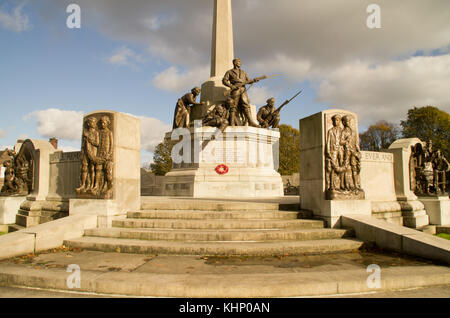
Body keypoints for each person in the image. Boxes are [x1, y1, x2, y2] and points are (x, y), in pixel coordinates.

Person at [222, 58, 260, 127]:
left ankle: (251, 122)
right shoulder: (230, 72)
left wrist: (254, 80)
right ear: (234, 63)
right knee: (233, 105)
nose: (240, 63)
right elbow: (224, 80)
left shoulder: (243, 72)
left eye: (240, 62)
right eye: (238, 62)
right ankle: (232, 123)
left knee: (246, 105)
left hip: (243, 89)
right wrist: (231, 86)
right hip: (235, 89)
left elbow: (248, 80)